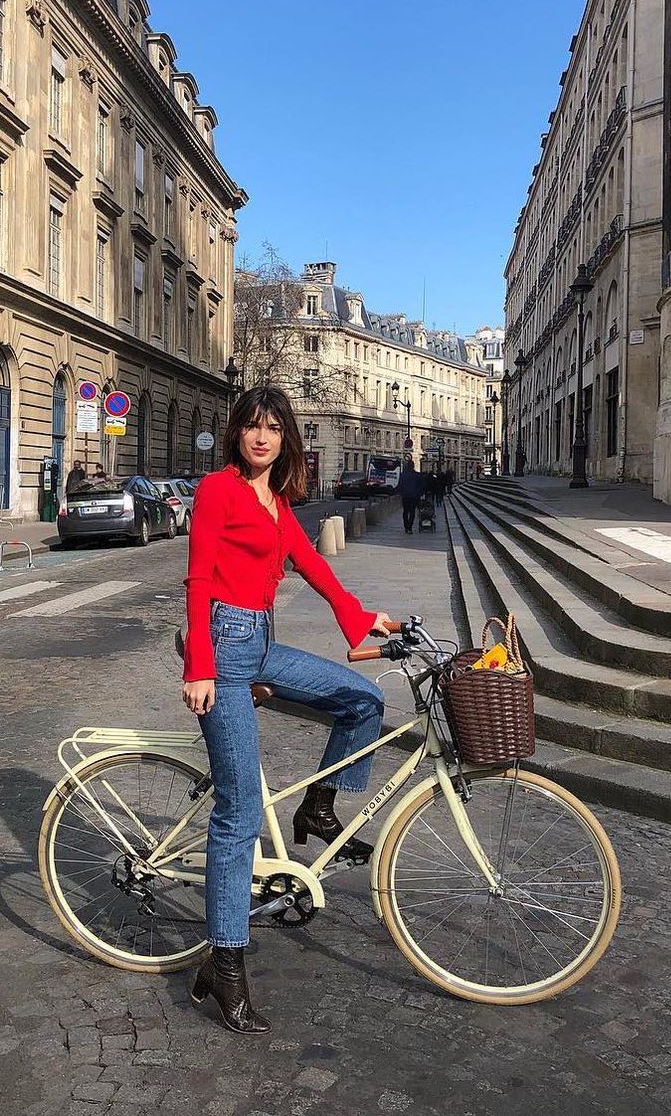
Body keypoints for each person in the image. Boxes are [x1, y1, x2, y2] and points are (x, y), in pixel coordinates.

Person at [183, 385, 391, 1036]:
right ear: (237, 435)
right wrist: (200, 668)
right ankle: (226, 965)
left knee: (364, 697)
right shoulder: (218, 490)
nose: (262, 437)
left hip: (261, 642)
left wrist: (359, 621)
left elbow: (315, 568)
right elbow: (196, 577)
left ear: (286, 438)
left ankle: (319, 806)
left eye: (273, 427)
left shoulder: (279, 501)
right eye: (251, 426)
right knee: (240, 813)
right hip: (221, 643)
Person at [396, 456, 423, 534]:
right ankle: (410, 527)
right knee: (412, 512)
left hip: (405, 496)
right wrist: (418, 493)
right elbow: (421, 485)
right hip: (414, 496)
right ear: (413, 466)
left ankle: (406, 526)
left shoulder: (403, 475)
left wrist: (400, 492)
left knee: (405, 512)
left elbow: (400, 485)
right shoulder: (417, 475)